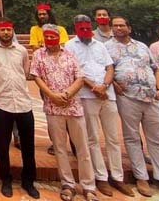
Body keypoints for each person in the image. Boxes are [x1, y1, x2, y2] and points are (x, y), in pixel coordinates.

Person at [105, 16, 159, 199]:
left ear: (129, 27)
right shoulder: (106, 48)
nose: (119, 28)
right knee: (132, 137)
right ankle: (141, 177)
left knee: (156, 139)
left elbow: (155, 68)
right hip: (128, 97)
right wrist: (115, 84)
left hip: (151, 96)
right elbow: (105, 69)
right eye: (115, 26)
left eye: (122, 25)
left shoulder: (142, 46)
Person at [65, 15, 134, 197]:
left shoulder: (100, 45)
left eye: (88, 27)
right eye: (81, 27)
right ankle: (101, 177)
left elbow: (109, 67)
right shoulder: (70, 46)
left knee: (112, 138)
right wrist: (93, 87)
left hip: (107, 94)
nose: (85, 31)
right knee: (92, 138)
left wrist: (104, 85)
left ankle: (117, 177)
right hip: (87, 95)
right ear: (75, 27)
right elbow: (75, 71)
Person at [31, 24, 97, 201]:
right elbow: (36, 76)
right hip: (52, 106)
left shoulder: (70, 54)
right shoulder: (38, 55)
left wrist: (67, 94)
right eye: (47, 36)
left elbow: (80, 77)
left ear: (59, 37)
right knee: (60, 148)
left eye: (53, 36)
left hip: (73, 106)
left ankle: (88, 185)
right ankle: (67, 184)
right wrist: (51, 95)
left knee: (82, 148)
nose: (50, 39)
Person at [0, 18, 40, 199]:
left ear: (12, 31)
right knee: (2, 144)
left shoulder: (21, 50)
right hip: (1, 103)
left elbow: (25, 71)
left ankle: (28, 180)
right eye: (2, 30)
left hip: (23, 103)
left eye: (8, 30)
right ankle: (5, 180)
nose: (6, 33)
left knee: (28, 145)